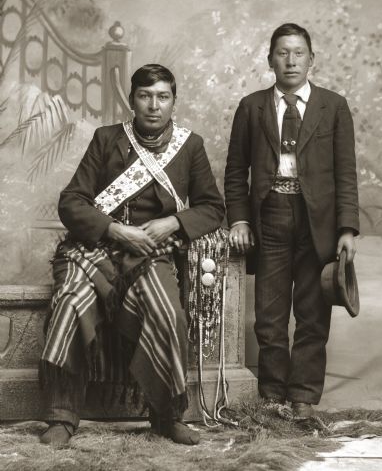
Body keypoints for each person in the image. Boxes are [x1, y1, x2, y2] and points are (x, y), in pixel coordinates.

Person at [39, 64, 225, 446]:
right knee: (70, 301)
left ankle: (166, 415)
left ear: (173, 101)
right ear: (132, 99)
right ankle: (61, 416)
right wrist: (112, 229)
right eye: (145, 96)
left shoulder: (190, 146)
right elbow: (72, 201)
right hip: (95, 250)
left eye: (162, 97)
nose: (153, 106)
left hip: (148, 254)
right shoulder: (106, 139)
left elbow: (211, 207)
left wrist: (172, 223)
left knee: (166, 312)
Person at [224, 23, 359, 419]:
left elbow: (345, 172)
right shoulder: (252, 107)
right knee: (269, 315)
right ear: (270, 60)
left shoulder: (333, 106)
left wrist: (347, 228)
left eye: (299, 52)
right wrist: (240, 220)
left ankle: (302, 397)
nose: (291, 60)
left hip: (318, 221)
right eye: (283, 52)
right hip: (270, 218)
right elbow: (235, 172)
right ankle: (272, 395)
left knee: (313, 312)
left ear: (311, 59)